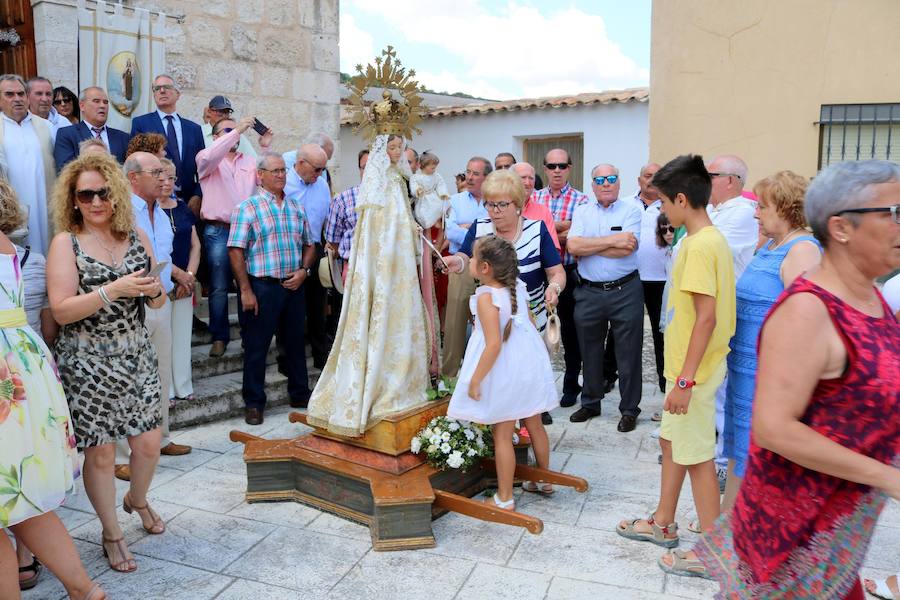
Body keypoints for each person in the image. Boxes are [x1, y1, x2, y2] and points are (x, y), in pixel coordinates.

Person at [692, 159, 900, 595]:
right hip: (792, 542)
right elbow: (773, 428)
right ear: (842, 228)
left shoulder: (874, 299)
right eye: (894, 213)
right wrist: (886, 476)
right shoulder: (809, 309)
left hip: (838, 535)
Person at [46, 154, 168, 574]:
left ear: (116, 193)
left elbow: (158, 294)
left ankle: (136, 498)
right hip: (87, 359)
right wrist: (113, 289)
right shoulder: (67, 242)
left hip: (136, 352)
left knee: (149, 444)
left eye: (102, 192)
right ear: (73, 200)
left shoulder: (134, 233)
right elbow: (61, 311)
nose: (96, 201)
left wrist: (153, 291)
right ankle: (112, 533)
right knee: (99, 455)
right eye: (86, 194)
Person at [616, 155, 735, 577]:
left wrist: (685, 380)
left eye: (664, 202)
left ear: (682, 199)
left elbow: (707, 317)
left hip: (694, 374)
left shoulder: (701, 245)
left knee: (699, 459)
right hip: (688, 369)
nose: (662, 211)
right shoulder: (707, 239)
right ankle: (663, 522)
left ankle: (715, 553)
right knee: (672, 444)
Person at [306, 134, 432, 436]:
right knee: (362, 324)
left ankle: (396, 380)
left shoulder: (401, 187)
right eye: (390, 148)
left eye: (399, 148)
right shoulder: (361, 197)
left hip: (397, 272)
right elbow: (334, 242)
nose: (395, 153)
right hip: (363, 271)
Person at [720, 171, 822, 510]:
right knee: (741, 451)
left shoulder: (803, 250)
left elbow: (806, 323)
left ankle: (745, 539)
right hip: (746, 372)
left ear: (784, 207)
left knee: (761, 457)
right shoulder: (773, 245)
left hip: (769, 377)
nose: (755, 213)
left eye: (762, 206)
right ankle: (727, 532)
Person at [447, 236, 557, 510]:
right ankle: (545, 479)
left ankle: (504, 498)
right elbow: (529, 322)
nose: (469, 262)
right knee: (534, 423)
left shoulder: (486, 297)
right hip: (528, 362)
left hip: (505, 368)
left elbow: (494, 344)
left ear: (485, 268)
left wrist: (475, 379)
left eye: (472, 258)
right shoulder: (516, 286)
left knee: (502, 434)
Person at [114, 152, 192, 482]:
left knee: (160, 372)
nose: (164, 178)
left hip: (161, 300)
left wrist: (175, 277)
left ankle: (161, 438)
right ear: (133, 177)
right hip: (132, 304)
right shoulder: (121, 210)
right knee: (128, 377)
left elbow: (164, 255)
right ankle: (121, 454)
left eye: (165, 172)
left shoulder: (160, 211)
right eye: (156, 172)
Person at [228, 152, 316, 425]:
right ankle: (254, 403)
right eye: (275, 171)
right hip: (262, 286)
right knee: (257, 347)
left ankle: (300, 394)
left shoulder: (295, 207)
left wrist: (304, 271)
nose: (280, 175)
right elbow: (235, 250)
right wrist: (245, 290)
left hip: (293, 286)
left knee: (295, 343)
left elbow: (310, 243)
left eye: (283, 171)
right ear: (260, 175)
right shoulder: (247, 208)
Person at [566, 164, 644, 431]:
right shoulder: (582, 211)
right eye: (600, 179)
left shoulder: (632, 210)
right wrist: (612, 240)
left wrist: (591, 245)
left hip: (626, 290)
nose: (606, 183)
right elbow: (573, 246)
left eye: (611, 178)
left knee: (629, 352)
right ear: (593, 184)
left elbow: (628, 249)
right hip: (589, 291)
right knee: (589, 350)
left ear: (619, 183)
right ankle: (590, 402)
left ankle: (630, 409)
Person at [446, 169, 565, 332]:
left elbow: (556, 273)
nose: (495, 210)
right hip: (489, 323)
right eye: (490, 204)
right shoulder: (479, 227)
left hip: (531, 322)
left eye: (502, 204)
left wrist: (554, 288)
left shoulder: (537, 230)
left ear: (518, 205)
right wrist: (457, 261)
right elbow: (464, 256)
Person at [196, 116, 272, 357]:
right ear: (216, 137)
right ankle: (220, 336)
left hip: (246, 231)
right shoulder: (207, 160)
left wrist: (266, 146)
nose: (235, 135)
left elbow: (267, 179)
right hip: (218, 230)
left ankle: (248, 336)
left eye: (235, 130)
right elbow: (209, 156)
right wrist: (237, 129)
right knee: (218, 286)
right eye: (227, 131)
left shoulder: (249, 162)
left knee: (246, 284)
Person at [534, 148, 587, 410]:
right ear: (544, 168)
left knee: (571, 334)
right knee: (539, 334)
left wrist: (548, 230)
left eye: (562, 166)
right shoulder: (534, 198)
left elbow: (578, 238)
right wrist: (561, 227)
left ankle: (570, 385)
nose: (557, 170)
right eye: (552, 166)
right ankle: (539, 388)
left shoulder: (582, 200)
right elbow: (538, 233)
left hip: (571, 274)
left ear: (569, 168)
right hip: (539, 277)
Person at [442, 157, 491, 378]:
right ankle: (449, 376)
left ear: (487, 177)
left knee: (488, 321)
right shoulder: (455, 200)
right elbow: (450, 233)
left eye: (476, 174)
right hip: (461, 264)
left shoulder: (494, 200)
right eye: (468, 172)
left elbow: (495, 233)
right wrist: (478, 231)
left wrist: (470, 228)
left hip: (490, 268)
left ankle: (483, 374)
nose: (469, 177)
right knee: (455, 321)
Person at [130, 74, 205, 215]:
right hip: (155, 200)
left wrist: (198, 195)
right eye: (157, 88)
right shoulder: (141, 123)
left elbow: (203, 168)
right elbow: (136, 162)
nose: (162, 91)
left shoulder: (194, 128)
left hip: (189, 202)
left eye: (167, 87)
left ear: (178, 94)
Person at [285, 143, 331, 368]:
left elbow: (326, 218)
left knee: (317, 305)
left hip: (315, 246)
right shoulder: (284, 183)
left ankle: (320, 356)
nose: (320, 174)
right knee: (291, 309)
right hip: (290, 249)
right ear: (301, 163)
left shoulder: (322, 185)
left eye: (323, 169)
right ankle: (288, 359)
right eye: (317, 169)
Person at [0, 74, 57, 253]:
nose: (17, 99)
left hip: (44, 205)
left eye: (21, 94)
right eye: (9, 94)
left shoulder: (46, 127)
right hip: (10, 208)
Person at [159, 158, 200, 403]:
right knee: (164, 338)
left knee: (183, 335)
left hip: (186, 282)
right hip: (163, 281)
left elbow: (196, 245)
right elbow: (154, 250)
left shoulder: (183, 208)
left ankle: (183, 385)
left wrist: (190, 277)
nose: (166, 182)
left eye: (171, 177)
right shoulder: (148, 211)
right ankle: (167, 390)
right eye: (161, 176)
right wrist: (178, 275)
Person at [633, 162, 666, 393]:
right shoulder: (624, 204)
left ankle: (665, 381)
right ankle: (609, 376)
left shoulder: (670, 207)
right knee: (622, 333)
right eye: (647, 175)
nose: (652, 180)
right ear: (639, 180)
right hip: (631, 278)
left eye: (657, 176)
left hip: (662, 280)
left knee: (661, 333)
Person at [54, 87, 130, 169]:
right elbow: (65, 170)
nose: (102, 106)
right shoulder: (67, 134)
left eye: (105, 102)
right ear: (82, 106)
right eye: (96, 101)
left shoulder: (123, 138)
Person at [325, 149, 368, 272]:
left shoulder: (394, 198)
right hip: (353, 269)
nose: (369, 171)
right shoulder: (343, 200)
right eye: (364, 167)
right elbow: (333, 242)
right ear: (359, 170)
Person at [511, 162, 560, 252]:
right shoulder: (499, 207)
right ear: (510, 180)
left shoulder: (543, 211)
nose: (528, 183)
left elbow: (552, 249)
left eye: (531, 178)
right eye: (523, 178)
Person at [410, 150, 451, 229]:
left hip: (434, 197)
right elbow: (413, 185)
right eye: (432, 167)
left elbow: (440, 184)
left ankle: (438, 222)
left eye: (435, 167)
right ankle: (428, 228)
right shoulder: (416, 177)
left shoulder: (436, 176)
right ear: (423, 165)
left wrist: (443, 193)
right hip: (423, 199)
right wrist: (417, 190)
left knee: (441, 207)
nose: (434, 169)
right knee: (425, 214)